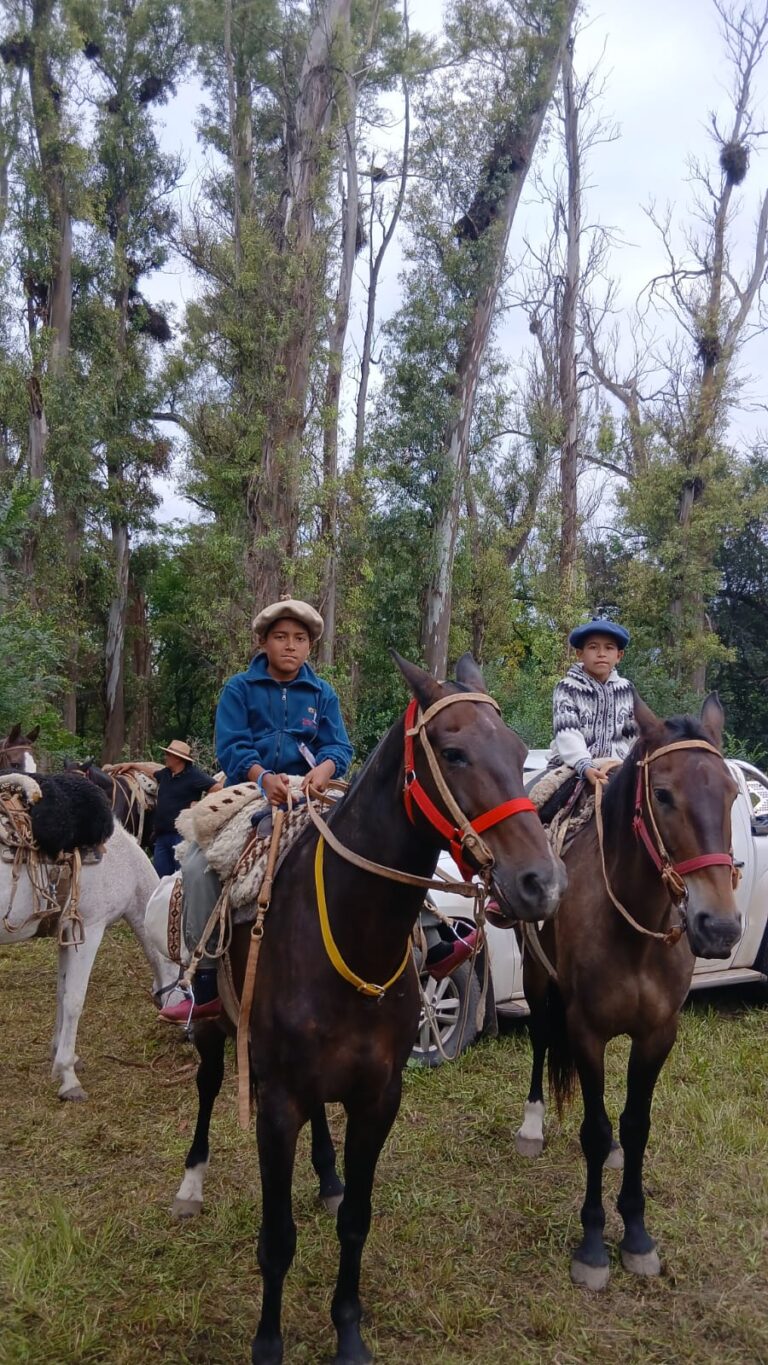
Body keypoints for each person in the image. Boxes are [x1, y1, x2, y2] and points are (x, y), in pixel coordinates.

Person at [159, 597, 354, 1023]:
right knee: (196, 867)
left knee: (372, 836)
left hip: (312, 790)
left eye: (299, 639)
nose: (290, 646)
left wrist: (325, 768)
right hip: (249, 788)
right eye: (280, 637)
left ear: (310, 646)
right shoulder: (239, 688)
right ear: (263, 642)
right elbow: (231, 745)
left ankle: (430, 941)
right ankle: (204, 983)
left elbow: (339, 745)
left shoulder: (322, 693)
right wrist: (263, 776)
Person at [549, 616, 638, 786]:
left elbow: (634, 736)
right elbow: (567, 732)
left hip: (617, 766)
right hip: (570, 766)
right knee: (541, 799)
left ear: (619, 655)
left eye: (609, 648)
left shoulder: (626, 689)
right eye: (593, 647)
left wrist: (634, 763)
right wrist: (584, 764)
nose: (601, 654)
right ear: (580, 653)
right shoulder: (567, 687)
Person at [152, 740, 218, 877]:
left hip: (181, 836)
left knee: (182, 877)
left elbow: (218, 788)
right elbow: (151, 770)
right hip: (162, 836)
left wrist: (201, 805)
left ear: (177, 758)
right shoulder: (165, 773)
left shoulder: (194, 776)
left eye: (168, 754)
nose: (166, 757)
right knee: (159, 877)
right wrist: (131, 765)